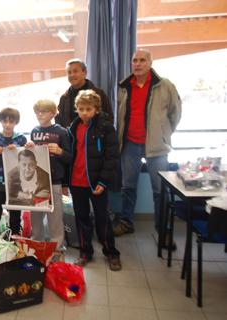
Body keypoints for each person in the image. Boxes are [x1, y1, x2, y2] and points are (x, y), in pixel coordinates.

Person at [113, 49, 182, 237]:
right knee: (127, 186)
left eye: (142, 60)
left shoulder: (164, 85)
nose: (138, 63)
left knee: (160, 189)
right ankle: (127, 223)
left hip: (157, 147)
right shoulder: (124, 86)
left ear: (150, 63)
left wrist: (163, 134)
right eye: (135, 60)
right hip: (129, 144)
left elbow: (175, 113)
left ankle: (162, 229)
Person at [68, 90, 121, 271]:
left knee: (102, 219)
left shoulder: (106, 128)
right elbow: (70, 155)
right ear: (77, 109)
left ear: (96, 110)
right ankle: (85, 252)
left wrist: (103, 182)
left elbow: (112, 157)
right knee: (81, 219)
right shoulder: (73, 128)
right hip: (77, 182)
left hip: (97, 183)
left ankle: (111, 253)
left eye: (88, 109)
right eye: (81, 109)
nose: (84, 112)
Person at [26, 100, 72, 256]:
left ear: (53, 113)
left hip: (55, 181)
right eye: (37, 112)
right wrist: (29, 148)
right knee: (36, 216)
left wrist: (60, 151)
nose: (40, 114)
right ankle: (35, 243)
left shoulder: (62, 132)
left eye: (44, 111)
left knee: (55, 217)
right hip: (37, 182)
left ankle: (57, 246)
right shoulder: (34, 131)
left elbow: (70, 158)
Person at [0, 108, 27, 235]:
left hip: (16, 184)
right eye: (4, 121)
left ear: (16, 122)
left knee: (15, 218)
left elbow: (28, 161)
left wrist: (20, 150)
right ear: (0, 121)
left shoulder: (21, 139)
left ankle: (15, 246)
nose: (7, 125)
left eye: (11, 122)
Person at [55, 58, 113, 128]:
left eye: (75, 71)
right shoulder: (64, 98)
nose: (72, 75)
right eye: (69, 72)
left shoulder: (98, 94)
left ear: (84, 73)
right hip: (72, 138)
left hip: (95, 137)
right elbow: (60, 122)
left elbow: (108, 118)